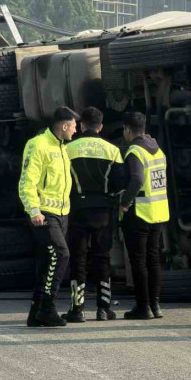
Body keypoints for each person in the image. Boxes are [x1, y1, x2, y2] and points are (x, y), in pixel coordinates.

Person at [63, 107, 125, 322]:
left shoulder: (68, 149)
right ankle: (103, 309)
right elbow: (121, 182)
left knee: (78, 259)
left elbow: (62, 180)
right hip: (104, 211)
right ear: (100, 126)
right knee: (102, 258)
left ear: (81, 126)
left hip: (77, 209)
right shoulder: (112, 150)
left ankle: (77, 310)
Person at [19, 106, 78, 327]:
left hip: (62, 213)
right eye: (73, 127)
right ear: (64, 126)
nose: (75, 131)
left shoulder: (63, 147)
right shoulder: (38, 145)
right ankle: (47, 307)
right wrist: (34, 210)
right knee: (61, 255)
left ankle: (35, 313)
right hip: (44, 214)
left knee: (47, 260)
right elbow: (27, 181)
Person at [120, 112, 170, 320]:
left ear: (128, 129)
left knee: (138, 262)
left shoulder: (135, 151)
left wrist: (125, 203)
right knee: (154, 260)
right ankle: (155, 305)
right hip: (158, 212)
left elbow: (137, 179)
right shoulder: (158, 151)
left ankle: (143, 307)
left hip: (140, 212)